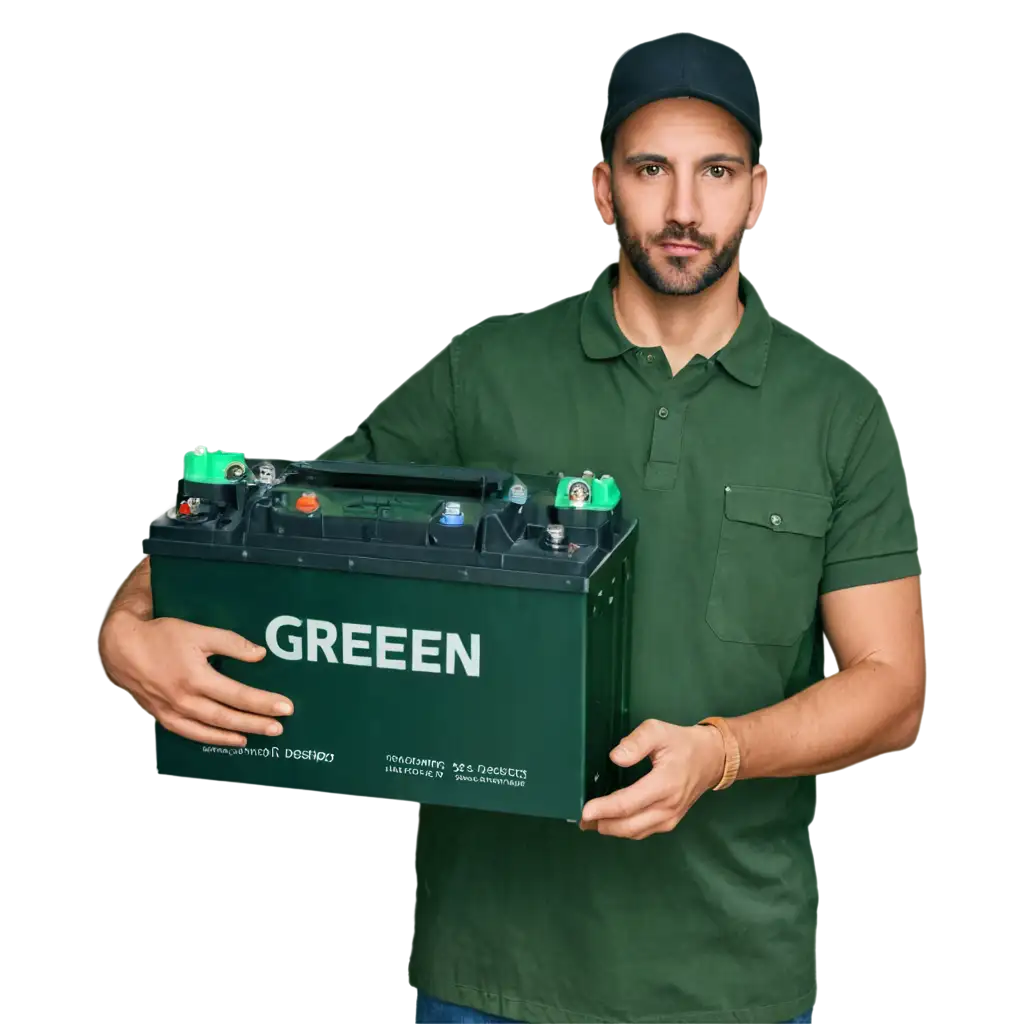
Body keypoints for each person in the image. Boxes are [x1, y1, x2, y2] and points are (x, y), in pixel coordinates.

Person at [98, 26, 925, 1024]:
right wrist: (128, 625)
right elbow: (279, 511)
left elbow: (890, 687)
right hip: (488, 976)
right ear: (598, 187)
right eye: (648, 168)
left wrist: (725, 751)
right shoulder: (479, 373)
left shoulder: (836, 413)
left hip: (731, 979)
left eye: (715, 171)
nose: (680, 207)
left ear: (759, 191)